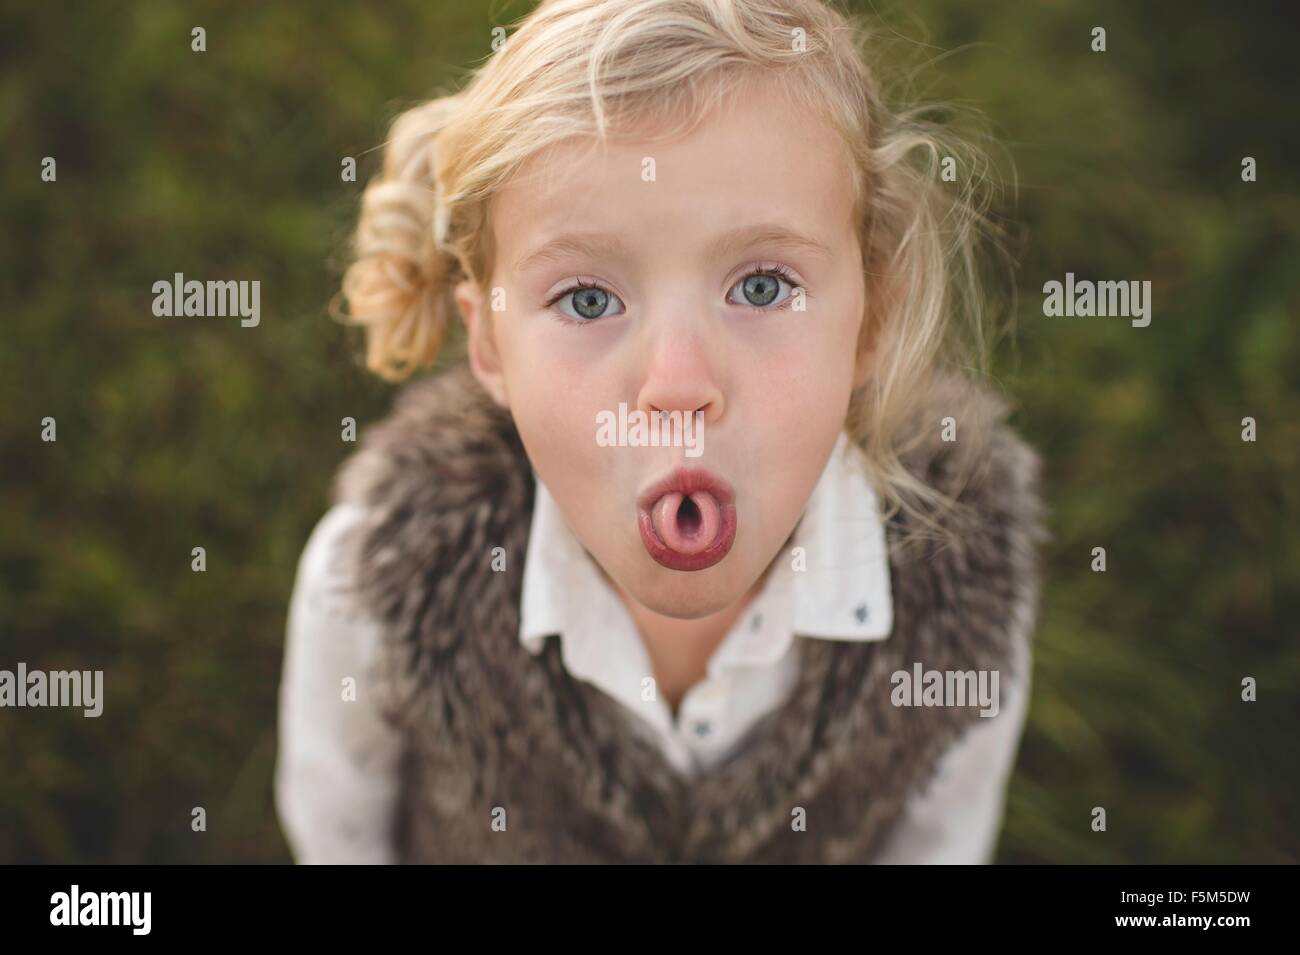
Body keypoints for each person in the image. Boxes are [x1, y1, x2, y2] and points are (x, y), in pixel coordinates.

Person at [275, 0, 1046, 864]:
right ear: (488, 343)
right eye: (589, 300)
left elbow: (938, 847)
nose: (677, 384)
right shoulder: (375, 580)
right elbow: (340, 833)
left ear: (871, 320)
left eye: (761, 287)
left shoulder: (967, 581)